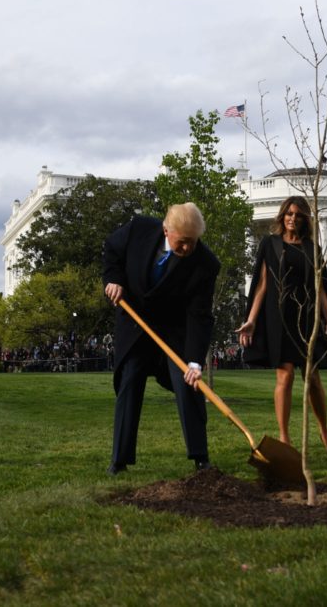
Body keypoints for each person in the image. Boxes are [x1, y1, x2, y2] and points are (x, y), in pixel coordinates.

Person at [102, 202, 220, 475]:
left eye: (193, 242)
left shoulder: (206, 264)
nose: (188, 249)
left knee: (188, 384)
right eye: (182, 243)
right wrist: (113, 280)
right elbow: (112, 250)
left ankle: (201, 458)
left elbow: (199, 315)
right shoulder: (139, 229)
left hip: (174, 330)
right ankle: (119, 461)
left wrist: (194, 361)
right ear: (166, 230)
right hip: (135, 323)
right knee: (130, 381)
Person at [236, 196, 327, 454]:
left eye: (298, 214)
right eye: (289, 213)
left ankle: (324, 432)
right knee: (285, 375)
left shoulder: (311, 248)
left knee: (313, 378)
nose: (292, 218)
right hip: (278, 317)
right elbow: (261, 284)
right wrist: (251, 319)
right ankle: (285, 438)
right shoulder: (270, 244)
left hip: (306, 317)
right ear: (283, 215)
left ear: (305, 219)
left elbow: (321, 287)